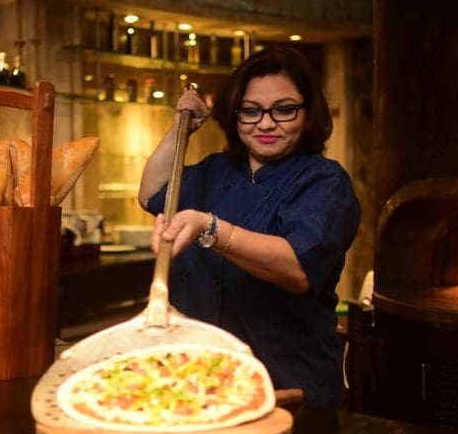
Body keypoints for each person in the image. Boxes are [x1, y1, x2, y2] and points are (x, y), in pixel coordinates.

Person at [138, 47, 361, 408]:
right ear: (235, 114)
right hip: (200, 382)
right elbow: (150, 192)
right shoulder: (215, 171)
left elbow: (297, 268)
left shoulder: (324, 181)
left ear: (308, 114)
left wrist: (209, 228)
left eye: (284, 109)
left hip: (287, 385)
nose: (266, 123)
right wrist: (180, 128)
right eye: (251, 111)